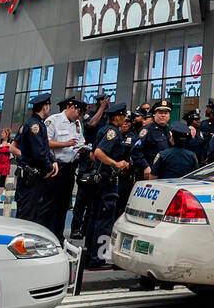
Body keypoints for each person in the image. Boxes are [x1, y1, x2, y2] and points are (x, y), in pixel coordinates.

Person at [86, 102, 130, 269]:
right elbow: (98, 153)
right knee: (104, 221)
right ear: (117, 117)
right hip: (107, 182)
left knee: (94, 217)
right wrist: (115, 164)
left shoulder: (103, 130)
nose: (124, 119)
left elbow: (92, 154)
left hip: (100, 180)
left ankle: (90, 254)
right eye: (123, 116)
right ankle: (98, 258)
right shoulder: (112, 132)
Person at [43, 97, 85, 240]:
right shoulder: (53, 120)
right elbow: (45, 143)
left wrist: (81, 149)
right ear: (71, 107)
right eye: (78, 113)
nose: (79, 117)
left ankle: (58, 236)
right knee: (50, 206)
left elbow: (81, 141)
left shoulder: (77, 123)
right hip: (56, 169)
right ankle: (47, 237)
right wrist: (65, 144)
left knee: (63, 207)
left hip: (70, 169)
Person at [15, 94, 58, 222]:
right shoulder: (35, 126)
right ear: (44, 107)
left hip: (35, 176)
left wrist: (53, 161)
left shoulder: (38, 124)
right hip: (31, 177)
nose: (49, 109)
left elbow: (44, 148)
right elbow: (39, 152)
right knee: (27, 215)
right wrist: (49, 168)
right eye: (48, 106)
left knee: (35, 213)